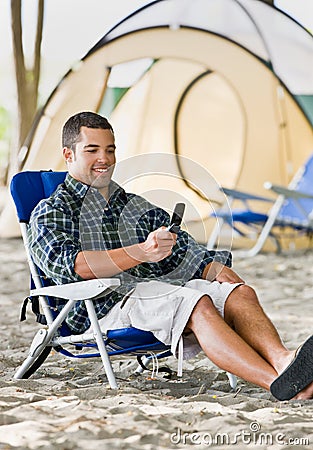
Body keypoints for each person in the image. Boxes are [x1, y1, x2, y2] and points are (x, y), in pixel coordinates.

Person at [28, 111, 313, 401]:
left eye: (110, 149)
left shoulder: (127, 203)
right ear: (68, 154)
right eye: (92, 150)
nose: (105, 158)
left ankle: (284, 362)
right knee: (197, 304)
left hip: (150, 293)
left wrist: (208, 266)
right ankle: (278, 384)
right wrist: (141, 251)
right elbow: (72, 268)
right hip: (101, 305)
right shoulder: (52, 211)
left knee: (239, 293)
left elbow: (179, 246)